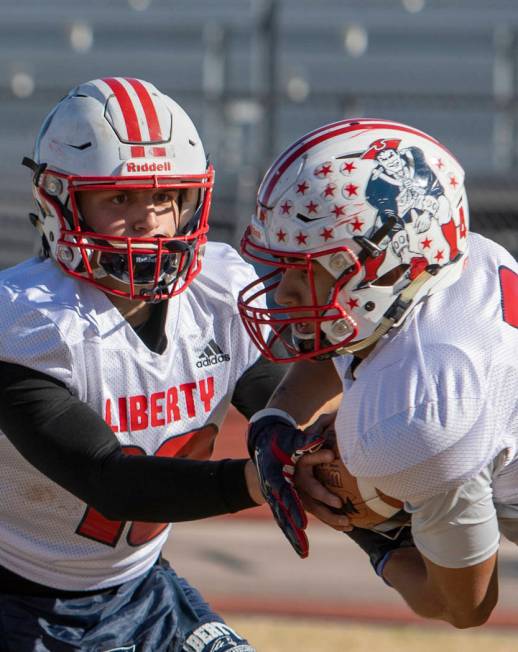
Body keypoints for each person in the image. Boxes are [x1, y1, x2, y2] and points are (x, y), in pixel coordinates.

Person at [0, 77, 288, 651]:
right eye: (119, 198)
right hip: (18, 599)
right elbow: (112, 483)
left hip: (140, 589)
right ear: (61, 201)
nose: (150, 220)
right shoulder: (28, 322)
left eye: (165, 197)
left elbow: (283, 408)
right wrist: (257, 482)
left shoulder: (217, 291)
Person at [237, 118, 518, 629]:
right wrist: (274, 420)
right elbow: (349, 347)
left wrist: (366, 531)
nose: (282, 295)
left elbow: (465, 605)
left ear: (385, 265)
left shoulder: (421, 415)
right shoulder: (444, 264)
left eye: (307, 270)